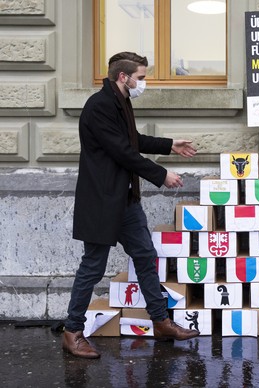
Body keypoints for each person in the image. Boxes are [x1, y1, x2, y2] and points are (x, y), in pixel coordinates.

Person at [62, 52, 200, 359]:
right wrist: (161, 174)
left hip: (124, 199)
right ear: (124, 77)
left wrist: (169, 145)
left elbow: (132, 140)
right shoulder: (99, 106)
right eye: (141, 76)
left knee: (144, 254)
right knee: (93, 267)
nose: (144, 82)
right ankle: (72, 331)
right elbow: (123, 151)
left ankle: (160, 321)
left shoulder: (119, 101)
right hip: (101, 201)